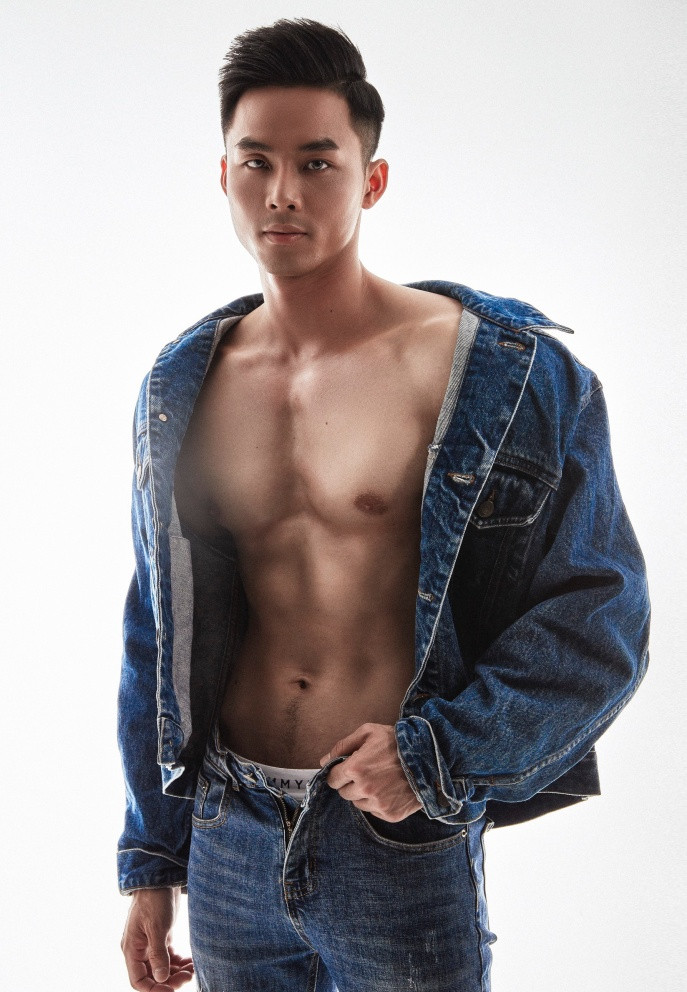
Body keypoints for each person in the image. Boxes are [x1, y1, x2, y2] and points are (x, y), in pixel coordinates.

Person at [117, 17, 650, 992]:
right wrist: (152, 857)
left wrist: (439, 755)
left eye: (317, 162)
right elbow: (158, 628)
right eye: (256, 161)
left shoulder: (503, 374)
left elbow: (601, 617)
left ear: (372, 180)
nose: (282, 192)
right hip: (229, 833)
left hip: (392, 834)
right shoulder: (181, 384)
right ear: (224, 175)